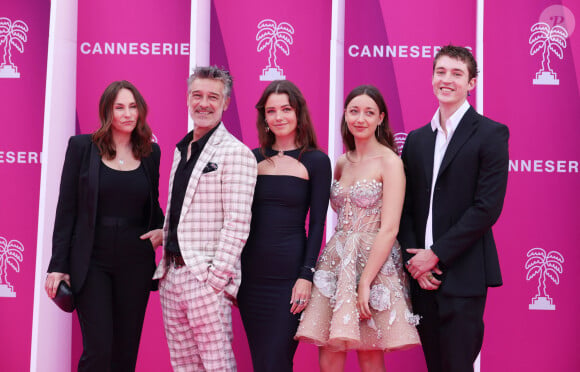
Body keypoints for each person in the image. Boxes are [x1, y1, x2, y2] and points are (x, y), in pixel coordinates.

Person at [399, 45, 509, 372]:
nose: (447, 80)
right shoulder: (417, 140)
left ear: (471, 83)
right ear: (432, 77)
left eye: (457, 74)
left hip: (464, 275)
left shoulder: (491, 134)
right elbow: (405, 209)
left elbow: (486, 208)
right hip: (421, 277)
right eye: (441, 72)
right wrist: (413, 260)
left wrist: (436, 254)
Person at [296, 85, 420, 372]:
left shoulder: (390, 162)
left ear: (381, 118)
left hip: (374, 262)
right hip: (337, 259)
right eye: (354, 111)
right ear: (345, 116)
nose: (360, 119)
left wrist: (365, 282)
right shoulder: (341, 162)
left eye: (369, 112)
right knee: (329, 349)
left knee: (369, 350)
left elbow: (389, 228)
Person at [45, 80, 164, 371]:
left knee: (125, 354)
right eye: (119, 107)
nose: (127, 114)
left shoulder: (150, 153)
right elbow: (66, 210)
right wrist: (58, 264)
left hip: (135, 261)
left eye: (133, 107)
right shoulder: (82, 147)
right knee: (98, 351)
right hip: (91, 259)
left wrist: (164, 231)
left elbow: (153, 205)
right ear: (107, 112)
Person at [153, 66, 257, 372]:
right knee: (184, 366)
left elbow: (238, 223)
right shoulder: (180, 150)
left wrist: (214, 281)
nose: (204, 103)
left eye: (213, 97)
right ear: (187, 99)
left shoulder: (235, 153)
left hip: (204, 278)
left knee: (217, 367)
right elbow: (183, 212)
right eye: (197, 95)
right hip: (170, 276)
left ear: (225, 103)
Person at [237, 80, 332, 372]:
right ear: (264, 117)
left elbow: (317, 224)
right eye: (271, 111)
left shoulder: (316, 160)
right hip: (251, 278)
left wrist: (306, 275)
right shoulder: (250, 159)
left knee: (276, 361)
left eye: (286, 109)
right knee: (261, 362)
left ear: (298, 112)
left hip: (289, 278)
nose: (279, 116)